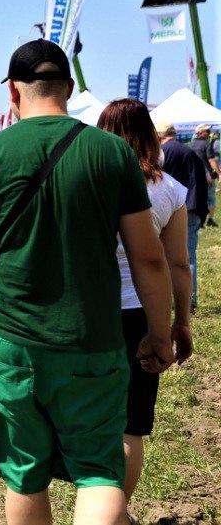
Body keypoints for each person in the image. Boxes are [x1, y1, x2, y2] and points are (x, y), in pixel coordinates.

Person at [0, 39, 174, 525]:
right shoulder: (113, 154)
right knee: (98, 475)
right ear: (68, 88)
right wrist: (159, 332)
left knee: (25, 474)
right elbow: (149, 260)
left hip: (14, 345)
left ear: (13, 92)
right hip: (95, 342)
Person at [97, 98, 195, 505]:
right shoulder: (168, 190)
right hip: (141, 313)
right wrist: (180, 323)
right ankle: (116, 512)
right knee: (130, 424)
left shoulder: (88, 180)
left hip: (87, 310)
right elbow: (178, 263)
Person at [158, 122, 208, 311]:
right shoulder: (188, 152)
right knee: (189, 257)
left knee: (164, 256)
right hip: (193, 207)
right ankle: (190, 300)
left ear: (159, 134)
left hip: (173, 209)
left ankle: (168, 298)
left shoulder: (162, 152)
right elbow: (203, 179)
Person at [188, 124, 220, 227]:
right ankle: (209, 220)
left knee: (198, 198)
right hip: (208, 176)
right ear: (201, 132)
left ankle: (200, 221)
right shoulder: (206, 144)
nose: (209, 133)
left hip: (194, 176)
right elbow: (211, 160)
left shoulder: (190, 145)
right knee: (210, 198)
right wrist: (219, 173)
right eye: (207, 131)